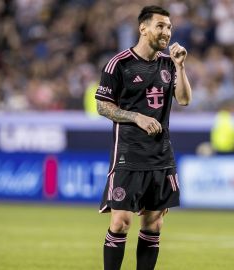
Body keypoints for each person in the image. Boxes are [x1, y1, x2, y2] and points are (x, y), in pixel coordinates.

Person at [95, 6, 192, 270]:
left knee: (154, 224)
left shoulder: (167, 64)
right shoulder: (120, 64)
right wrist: (136, 117)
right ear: (143, 28)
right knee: (120, 223)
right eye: (161, 26)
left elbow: (183, 99)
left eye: (169, 27)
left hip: (161, 156)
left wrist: (180, 67)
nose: (167, 32)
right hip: (128, 155)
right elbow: (102, 106)